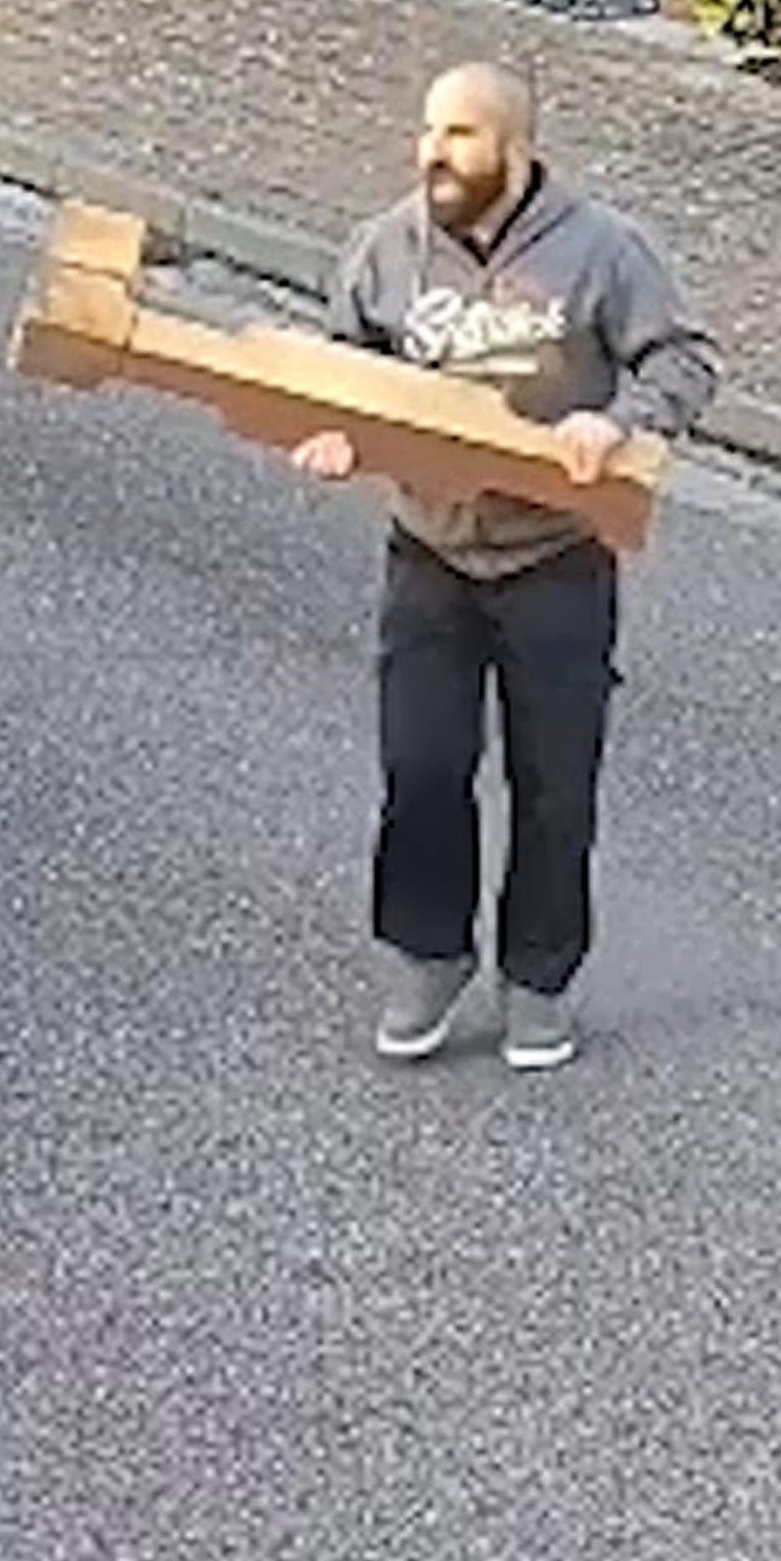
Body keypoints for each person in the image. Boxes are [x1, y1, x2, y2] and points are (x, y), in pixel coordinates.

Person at [290, 59, 717, 1071]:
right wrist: (336, 432)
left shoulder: (604, 251)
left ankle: (539, 978)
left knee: (554, 784)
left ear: (515, 149)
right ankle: (427, 958)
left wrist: (616, 425)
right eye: (429, 131)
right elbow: (340, 364)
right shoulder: (386, 248)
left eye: (460, 136)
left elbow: (683, 362)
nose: (432, 153)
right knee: (423, 771)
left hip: (556, 563)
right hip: (429, 556)